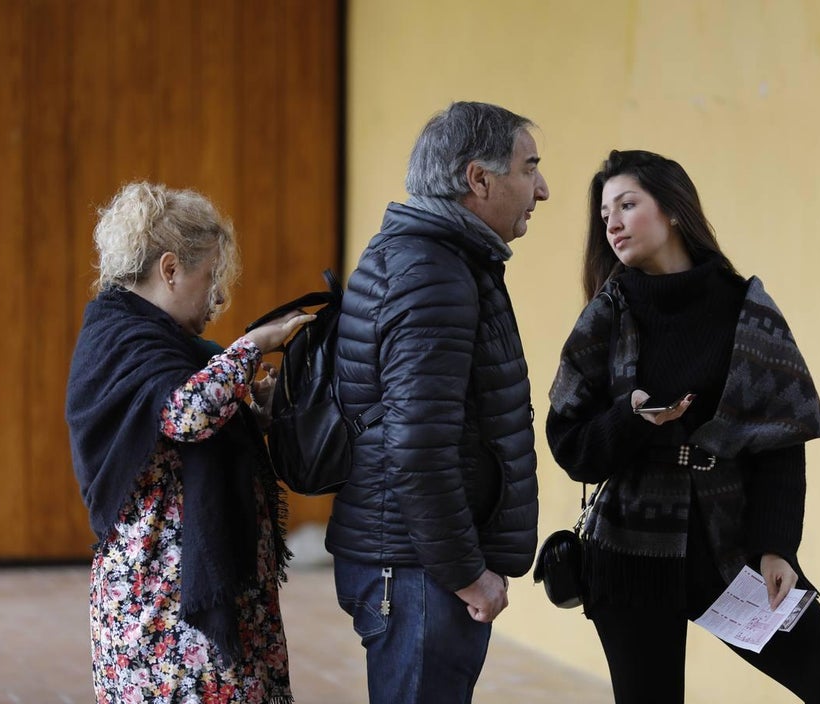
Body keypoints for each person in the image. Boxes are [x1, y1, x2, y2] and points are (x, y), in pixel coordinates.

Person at [546, 150, 820, 703]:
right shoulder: (607, 314)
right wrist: (631, 418)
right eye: (605, 213)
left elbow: (780, 440)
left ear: (673, 210)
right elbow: (571, 445)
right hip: (629, 555)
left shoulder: (745, 308)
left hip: (730, 547)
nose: (613, 223)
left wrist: (777, 548)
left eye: (628, 204)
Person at [326, 101, 549, 703]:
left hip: (413, 560)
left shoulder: (436, 259)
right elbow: (418, 446)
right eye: (529, 169)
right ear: (479, 179)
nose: (543, 190)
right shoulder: (431, 270)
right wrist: (465, 574)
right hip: (419, 569)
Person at [65, 182, 312, 703]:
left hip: (200, 590)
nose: (219, 296)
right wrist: (251, 347)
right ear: (171, 269)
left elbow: (186, 432)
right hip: (164, 605)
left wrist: (255, 417)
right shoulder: (121, 337)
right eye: (211, 276)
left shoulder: (167, 343)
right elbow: (184, 414)